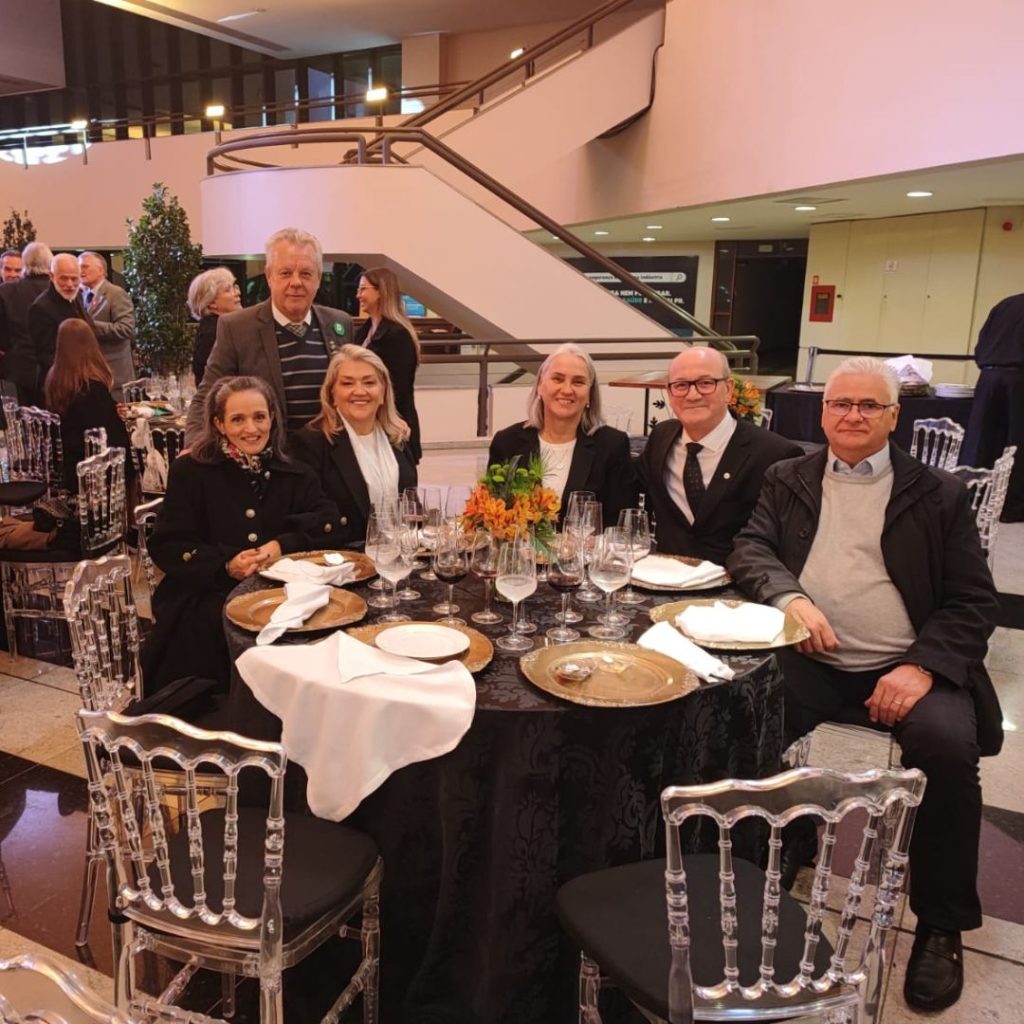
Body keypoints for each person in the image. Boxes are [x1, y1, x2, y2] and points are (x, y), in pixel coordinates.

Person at [727, 356, 1002, 1013]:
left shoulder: (937, 493)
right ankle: (771, 853)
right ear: (823, 412)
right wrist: (790, 598)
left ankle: (940, 923)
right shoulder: (789, 476)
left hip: (907, 665)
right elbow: (750, 548)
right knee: (735, 714)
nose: (852, 415)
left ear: (893, 416)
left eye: (868, 405)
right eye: (840, 403)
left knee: (947, 751)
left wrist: (923, 665)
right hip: (810, 657)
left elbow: (973, 601)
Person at [142, 376, 340, 693]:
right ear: (219, 424)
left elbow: (329, 522)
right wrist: (225, 563)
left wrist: (282, 545)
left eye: (259, 417)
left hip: (286, 595)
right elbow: (168, 544)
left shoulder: (295, 471)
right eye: (238, 419)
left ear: (272, 418)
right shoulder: (191, 472)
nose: (251, 428)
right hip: (207, 596)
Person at [184, 228, 353, 443]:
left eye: (306, 273)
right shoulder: (236, 328)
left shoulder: (340, 323)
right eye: (285, 273)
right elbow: (207, 397)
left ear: (318, 279)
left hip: (329, 456)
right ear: (269, 276)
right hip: (269, 457)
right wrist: (192, 448)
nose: (296, 282)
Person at [638, 345, 802, 564]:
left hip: (738, 579)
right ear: (669, 393)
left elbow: (786, 545)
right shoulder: (661, 437)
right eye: (681, 385)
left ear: (729, 390)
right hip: (666, 574)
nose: (692, 395)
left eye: (706, 383)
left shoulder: (776, 455)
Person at [487, 343, 637, 527]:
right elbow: (492, 517)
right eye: (557, 379)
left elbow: (621, 527)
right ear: (540, 385)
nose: (567, 390)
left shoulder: (613, 445)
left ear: (590, 394)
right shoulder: (507, 443)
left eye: (578, 382)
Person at [291, 345, 417, 549]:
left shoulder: (398, 438)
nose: (359, 391)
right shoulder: (310, 443)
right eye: (347, 383)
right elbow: (310, 520)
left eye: (369, 382)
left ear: (383, 392)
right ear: (332, 393)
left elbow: (411, 505)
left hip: (401, 556)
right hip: (344, 560)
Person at [44, 319, 134, 495]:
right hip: (93, 469)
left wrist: (111, 409)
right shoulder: (91, 388)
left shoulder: (55, 380)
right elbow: (112, 437)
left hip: (67, 463)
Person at [962, 290, 1024, 522]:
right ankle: (1012, 507)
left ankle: (971, 498)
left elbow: (980, 345)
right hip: (1019, 379)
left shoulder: (1005, 304)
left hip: (988, 377)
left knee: (980, 440)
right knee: (1016, 443)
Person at [355, 266, 421, 462]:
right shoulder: (364, 331)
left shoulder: (398, 335)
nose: (358, 295)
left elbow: (399, 388)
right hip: (368, 424)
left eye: (363, 289)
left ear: (380, 292)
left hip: (392, 426)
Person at [26, 253, 91, 406]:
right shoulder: (41, 308)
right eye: (64, 278)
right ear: (52, 276)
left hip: (84, 379)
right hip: (61, 387)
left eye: (74, 279)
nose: (70, 284)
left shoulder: (76, 297)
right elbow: (46, 355)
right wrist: (74, 378)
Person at [78, 251, 136, 400]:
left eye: (85, 266)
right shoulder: (82, 295)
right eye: (79, 267)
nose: (80, 271)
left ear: (100, 270)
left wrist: (89, 326)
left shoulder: (116, 293)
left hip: (115, 375)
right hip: (93, 374)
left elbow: (126, 329)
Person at [0, 242, 53, 397]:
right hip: (55, 370)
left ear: (25, 264)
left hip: (17, 370)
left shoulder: (6, 292)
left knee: (17, 411)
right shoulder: (58, 291)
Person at [187, 266, 242, 385]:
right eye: (228, 290)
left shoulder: (222, 326)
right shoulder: (213, 332)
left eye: (235, 287)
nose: (237, 293)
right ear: (211, 303)